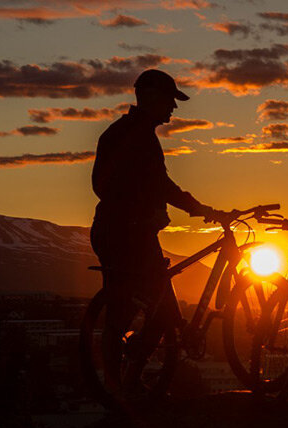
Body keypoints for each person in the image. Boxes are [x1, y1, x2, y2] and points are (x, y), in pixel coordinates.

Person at [89, 69, 226, 394]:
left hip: (117, 231)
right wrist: (199, 208)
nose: (174, 109)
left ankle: (123, 384)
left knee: (139, 308)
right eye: (170, 100)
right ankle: (123, 383)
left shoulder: (123, 133)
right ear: (150, 98)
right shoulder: (138, 137)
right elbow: (161, 186)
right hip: (128, 235)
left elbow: (107, 184)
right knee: (142, 310)